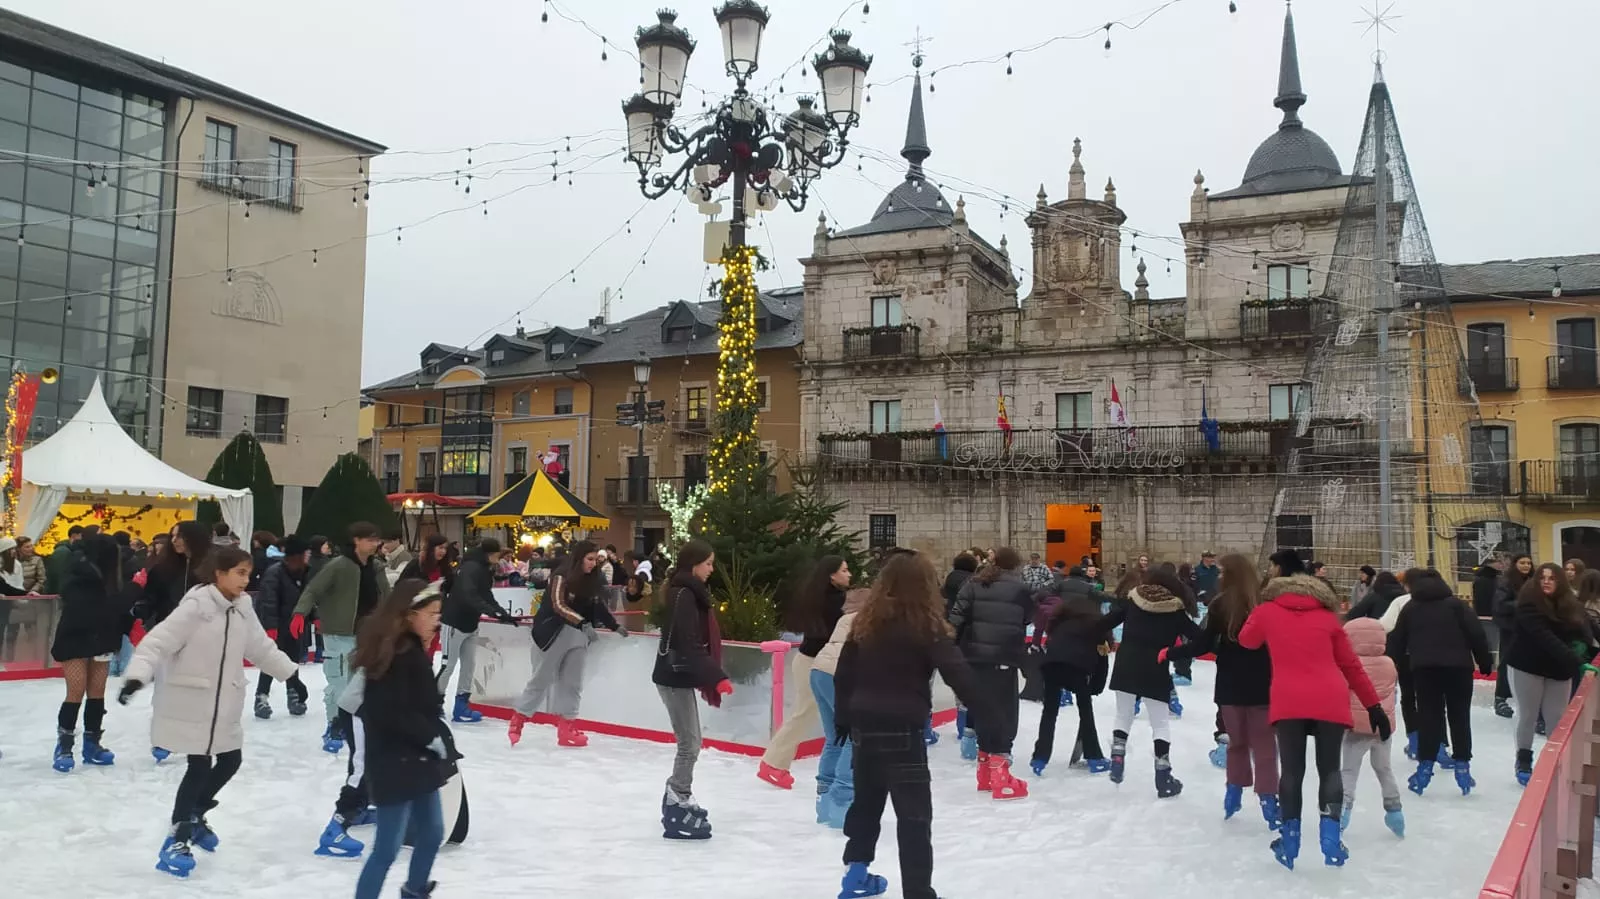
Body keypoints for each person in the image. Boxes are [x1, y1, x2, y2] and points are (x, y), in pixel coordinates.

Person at [118, 546, 298, 878]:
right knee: (199, 766)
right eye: (240, 573)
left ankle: (195, 814)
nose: (247, 580)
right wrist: (136, 677)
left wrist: (291, 674)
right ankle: (177, 836)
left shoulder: (243, 607)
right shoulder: (197, 608)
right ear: (219, 573)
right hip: (192, 701)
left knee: (231, 760)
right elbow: (157, 642)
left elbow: (260, 647)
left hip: (224, 704)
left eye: (249, 573)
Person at [833, 549, 988, 899]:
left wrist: (844, 718)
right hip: (902, 728)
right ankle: (918, 892)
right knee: (914, 815)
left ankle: (855, 873)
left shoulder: (864, 622)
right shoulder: (926, 625)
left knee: (867, 803)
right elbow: (957, 673)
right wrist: (987, 712)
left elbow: (844, 675)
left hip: (864, 726)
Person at [1239, 555, 1388, 870]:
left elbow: (1246, 641)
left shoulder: (1267, 611)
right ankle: (1331, 839)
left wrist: (1257, 610)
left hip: (1289, 698)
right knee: (1330, 769)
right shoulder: (1328, 618)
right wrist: (1374, 706)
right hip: (1329, 698)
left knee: (1293, 771)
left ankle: (1290, 841)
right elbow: (1350, 665)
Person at [350, 579, 460, 899]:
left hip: (417, 758)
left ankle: (414, 891)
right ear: (410, 613)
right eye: (431, 614)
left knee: (432, 832)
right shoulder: (395, 653)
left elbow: (420, 704)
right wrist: (429, 736)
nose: (436, 621)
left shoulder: (411, 649)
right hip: (394, 760)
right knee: (387, 847)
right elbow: (385, 711)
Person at [1166, 553, 1278, 826]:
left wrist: (1171, 652)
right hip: (1262, 683)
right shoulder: (1265, 603)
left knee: (1237, 743)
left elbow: (1203, 643)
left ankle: (1234, 791)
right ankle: (1268, 799)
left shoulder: (1221, 604)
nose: (1217, 575)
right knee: (1264, 746)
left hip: (1230, 683)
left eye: (1221, 571)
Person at [1096, 565, 1204, 798]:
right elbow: (1200, 640)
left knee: (1123, 715)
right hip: (1156, 666)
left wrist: (1097, 640)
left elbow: (1103, 624)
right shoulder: (1175, 610)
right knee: (1160, 723)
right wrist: (1175, 653)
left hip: (1125, 663)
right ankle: (1163, 775)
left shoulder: (1132, 602)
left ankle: (1117, 756)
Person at [509, 540, 626, 748]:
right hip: (553, 632)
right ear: (579, 558)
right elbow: (558, 605)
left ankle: (567, 727)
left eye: (595, 560)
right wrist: (582, 623)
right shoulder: (561, 575)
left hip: (578, 635)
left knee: (572, 682)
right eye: (589, 559)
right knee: (542, 678)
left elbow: (597, 604)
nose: (592, 564)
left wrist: (614, 625)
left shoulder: (592, 579)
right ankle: (518, 720)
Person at [651, 539, 732, 840]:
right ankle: (677, 797)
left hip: (678, 675)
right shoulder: (683, 594)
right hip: (674, 675)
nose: (712, 569)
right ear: (693, 564)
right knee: (690, 744)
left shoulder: (688, 592)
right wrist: (716, 676)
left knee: (691, 742)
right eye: (708, 563)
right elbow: (688, 641)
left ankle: (679, 795)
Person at [1388, 571, 1493, 795]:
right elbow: (1476, 634)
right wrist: (1485, 662)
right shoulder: (1457, 605)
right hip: (1459, 669)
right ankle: (1463, 764)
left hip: (1425, 669)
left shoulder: (1411, 607)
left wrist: (1394, 663)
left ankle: (1425, 766)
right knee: (1459, 716)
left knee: (1429, 716)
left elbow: (1397, 638)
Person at [292, 522, 388, 753]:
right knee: (338, 684)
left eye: (377, 540)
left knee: (361, 683)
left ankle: (354, 724)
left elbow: (387, 596)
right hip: (338, 633)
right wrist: (299, 613)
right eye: (370, 540)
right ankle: (334, 725)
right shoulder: (338, 565)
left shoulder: (376, 567)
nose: (375, 544)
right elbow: (313, 589)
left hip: (367, 635)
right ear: (357, 540)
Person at [758, 555, 850, 790]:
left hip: (813, 661)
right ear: (832, 575)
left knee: (814, 716)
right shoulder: (833, 603)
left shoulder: (823, 598)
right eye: (844, 570)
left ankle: (774, 763)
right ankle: (772, 763)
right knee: (805, 714)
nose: (849, 574)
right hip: (814, 663)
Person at [948, 546, 1033, 800]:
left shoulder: (973, 584)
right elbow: (1027, 618)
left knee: (982, 712)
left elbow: (956, 618)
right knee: (1004, 714)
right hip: (1004, 657)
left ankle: (984, 772)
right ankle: (999, 773)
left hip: (973, 658)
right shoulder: (1020, 588)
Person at [1505, 563, 1597, 786]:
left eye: (1552, 578)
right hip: (1528, 666)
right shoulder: (1528, 607)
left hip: (1559, 669)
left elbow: (1588, 628)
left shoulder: (1571, 605)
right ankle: (1524, 760)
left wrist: (1587, 648)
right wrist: (1577, 662)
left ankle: (1556, 763)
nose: (1546, 581)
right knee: (1529, 714)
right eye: (1542, 578)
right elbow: (1544, 637)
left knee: (1556, 719)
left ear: (1560, 582)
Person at [47, 533, 130, 772]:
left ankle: (92, 742)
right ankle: (64, 745)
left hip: (101, 638)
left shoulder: (108, 576)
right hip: (75, 637)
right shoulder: (79, 573)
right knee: (76, 689)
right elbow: (87, 606)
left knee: (97, 691)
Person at [1030, 565, 1113, 777]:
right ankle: (1094, 757)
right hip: (1077, 668)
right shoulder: (1096, 624)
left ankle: (1039, 758)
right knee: (1085, 711)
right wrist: (1096, 687)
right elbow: (1102, 658)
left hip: (1052, 667)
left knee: (1049, 712)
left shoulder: (1059, 623)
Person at [436, 538, 517, 723]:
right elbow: (468, 595)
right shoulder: (471, 568)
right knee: (448, 665)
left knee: (468, 666)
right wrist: (491, 611)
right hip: (454, 622)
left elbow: (486, 594)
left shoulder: (484, 569)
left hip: (471, 624)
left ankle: (461, 705)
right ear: (490, 554)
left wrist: (501, 612)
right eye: (499, 554)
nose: (501, 557)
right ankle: (435, 704)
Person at [1339, 617, 1405, 837]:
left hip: (1356, 728)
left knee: (1349, 771)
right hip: (1383, 728)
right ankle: (1395, 810)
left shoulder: (1349, 664)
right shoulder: (1388, 664)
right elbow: (1392, 692)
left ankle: (1342, 813)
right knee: (1384, 769)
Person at [809, 585, 868, 829]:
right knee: (854, 736)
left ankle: (824, 799)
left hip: (818, 671)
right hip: (839, 676)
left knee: (834, 737)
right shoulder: (866, 621)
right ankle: (842, 800)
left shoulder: (846, 617)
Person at [253, 535, 313, 719]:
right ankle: (261, 697)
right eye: (306, 553)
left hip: (296, 625)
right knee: (272, 661)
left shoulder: (305, 572)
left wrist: (314, 617)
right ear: (298, 555)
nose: (309, 555)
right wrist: (271, 627)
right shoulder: (275, 572)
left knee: (292, 659)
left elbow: (310, 597)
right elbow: (268, 601)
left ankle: (293, 694)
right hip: (277, 625)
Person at [136, 521, 212, 629]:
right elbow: (150, 598)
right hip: (168, 627)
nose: (174, 540)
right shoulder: (162, 568)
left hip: (203, 628)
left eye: (179, 536)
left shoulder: (213, 567)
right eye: (172, 536)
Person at [1493, 554, 1534, 719]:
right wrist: (1523, 604)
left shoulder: (1535, 582)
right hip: (1511, 629)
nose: (1526, 566)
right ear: (1515, 564)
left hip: (1532, 629)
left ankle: (1530, 702)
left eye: (1529, 563)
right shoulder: (1506, 582)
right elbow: (1500, 605)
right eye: (1522, 563)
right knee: (1507, 662)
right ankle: (1500, 697)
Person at [44, 525, 85, 595]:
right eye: (82, 536)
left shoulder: (69, 550)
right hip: (59, 595)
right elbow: (58, 575)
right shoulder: (62, 552)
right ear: (74, 535)